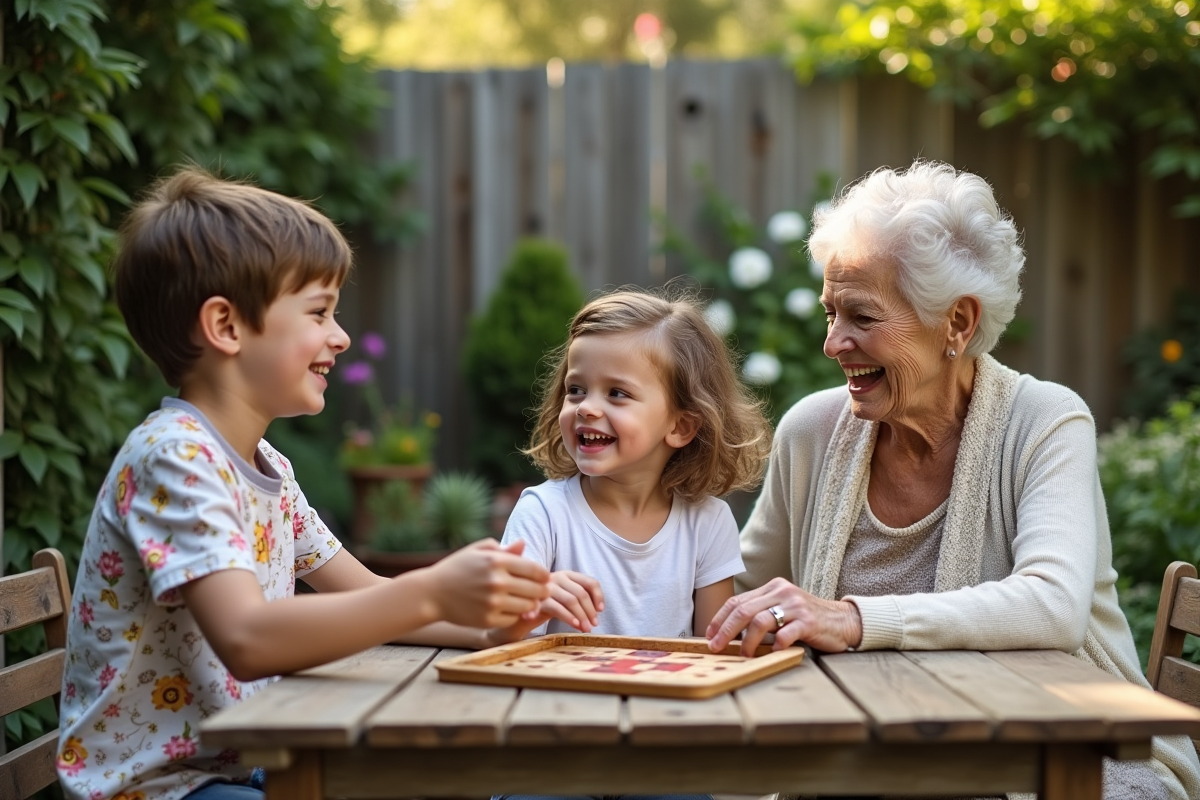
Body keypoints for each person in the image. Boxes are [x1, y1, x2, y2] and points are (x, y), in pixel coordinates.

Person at [703, 160, 1200, 799]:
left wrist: (853, 620)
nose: (833, 342)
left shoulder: (1044, 421)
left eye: (861, 317)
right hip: (874, 759)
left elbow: (1053, 606)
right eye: (830, 313)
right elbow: (730, 598)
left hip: (1072, 755)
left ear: (958, 324)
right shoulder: (813, 432)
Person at [55, 168, 551, 800]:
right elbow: (248, 640)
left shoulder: (268, 468)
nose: (340, 336)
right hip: (156, 789)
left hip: (240, 767)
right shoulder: (175, 459)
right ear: (226, 327)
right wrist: (432, 592)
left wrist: (486, 629)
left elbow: (368, 594)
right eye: (319, 312)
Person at [406, 287, 772, 650]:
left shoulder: (707, 523)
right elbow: (505, 637)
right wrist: (530, 604)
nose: (586, 408)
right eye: (576, 389)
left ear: (680, 427)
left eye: (616, 393)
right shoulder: (544, 513)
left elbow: (714, 649)